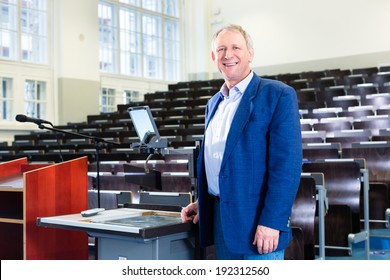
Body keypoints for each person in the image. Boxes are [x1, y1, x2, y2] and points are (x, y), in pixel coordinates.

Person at [181, 24, 302, 260]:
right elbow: (221, 164)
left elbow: (286, 167)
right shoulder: (213, 103)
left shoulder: (278, 95)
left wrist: (272, 222)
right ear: (214, 57)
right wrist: (202, 202)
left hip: (259, 227)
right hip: (222, 220)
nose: (228, 55)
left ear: (250, 54)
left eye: (236, 47)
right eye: (221, 49)